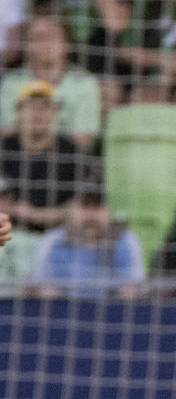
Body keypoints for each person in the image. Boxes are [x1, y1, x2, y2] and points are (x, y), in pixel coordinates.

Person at [0, 14, 102, 149]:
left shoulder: (85, 83)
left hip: (66, 164)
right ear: (28, 45)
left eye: (53, 36)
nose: (46, 43)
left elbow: (83, 140)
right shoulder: (11, 82)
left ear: (66, 42)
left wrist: (34, 130)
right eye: (39, 37)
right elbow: (6, 135)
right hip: (16, 164)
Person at [31, 184, 145, 299]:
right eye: (84, 207)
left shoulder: (126, 240)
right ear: (70, 210)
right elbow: (48, 293)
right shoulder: (53, 241)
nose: (90, 215)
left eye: (97, 208)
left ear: (109, 212)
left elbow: (130, 292)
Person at [0, 80, 83, 234]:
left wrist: (30, 214)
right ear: (18, 111)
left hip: (57, 235)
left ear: (55, 112)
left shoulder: (71, 151)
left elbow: (78, 209)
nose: (37, 112)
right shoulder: (4, 148)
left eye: (45, 106)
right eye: (30, 105)